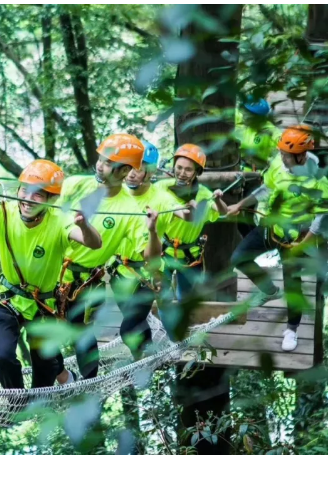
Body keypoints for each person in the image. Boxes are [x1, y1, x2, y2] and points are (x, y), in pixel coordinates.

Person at [0, 160, 102, 401]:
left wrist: (84, 225)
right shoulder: (3, 212)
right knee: (2, 356)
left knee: (45, 370)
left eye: (38, 194)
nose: (28, 199)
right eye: (24, 190)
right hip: (6, 299)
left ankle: (43, 399)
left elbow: (94, 243)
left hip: (42, 305)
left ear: (51, 199)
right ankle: (17, 403)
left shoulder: (59, 220)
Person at [53, 134, 159, 381]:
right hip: (51, 271)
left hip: (84, 281)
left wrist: (153, 231)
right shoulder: (74, 185)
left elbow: (149, 256)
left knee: (79, 331)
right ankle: (64, 377)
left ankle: (89, 382)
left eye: (108, 163)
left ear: (125, 171)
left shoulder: (130, 210)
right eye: (100, 159)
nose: (100, 166)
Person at [229, 125, 328, 352]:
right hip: (272, 227)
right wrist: (240, 205)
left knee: (293, 286)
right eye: (281, 153)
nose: (282, 158)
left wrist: (305, 242)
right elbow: (266, 188)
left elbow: (323, 215)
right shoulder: (278, 164)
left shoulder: (317, 180)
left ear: (302, 156)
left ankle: (291, 330)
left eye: (286, 155)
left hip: (297, 238)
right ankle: (270, 290)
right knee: (239, 258)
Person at [110, 141, 179, 358]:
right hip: (119, 271)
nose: (131, 174)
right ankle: (147, 361)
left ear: (150, 172)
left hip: (148, 274)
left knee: (128, 328)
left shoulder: (163, 200)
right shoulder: (116, 193)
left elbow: (182, 213)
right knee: (137, 325)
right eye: (128, 167)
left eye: (138, 168)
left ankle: (143, 362)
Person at [156, 144, 228, 301]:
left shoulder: (203, 194)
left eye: (188, 169)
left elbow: (222, 211)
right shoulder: (161, 187)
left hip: (190, 255)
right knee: (162, 296)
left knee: (185, 298)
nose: (182, 173)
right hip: (164, 252)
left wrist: (218, 199)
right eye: (179, 167)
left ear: (197, 172)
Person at [234, 96, 281, 237]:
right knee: (241, 216)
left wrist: (269, 164)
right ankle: (252, 241)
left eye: (247, 114)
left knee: (246, 213)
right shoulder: (247, 127)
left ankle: (257, 241)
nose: (243, 116)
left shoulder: (272, 132)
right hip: (240, 175)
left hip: (257, 177)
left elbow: (282, 155)